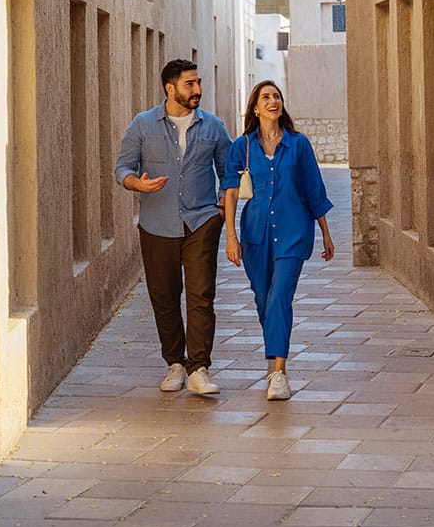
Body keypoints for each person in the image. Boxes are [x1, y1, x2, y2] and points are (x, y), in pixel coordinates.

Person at [115, 58, 233, 396]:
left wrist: (225, 203)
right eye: (190, 84)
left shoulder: (213, 127)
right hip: (156, 224)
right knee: (164, 298)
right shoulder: (142, 124)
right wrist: (136, 183)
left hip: (201, 222)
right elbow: (122, 167)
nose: (197, 90)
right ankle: (175, 363)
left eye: (198, 83)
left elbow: (228, 171)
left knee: (201, 296)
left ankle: (199, 367)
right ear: (171, 88)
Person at [221, 80, 334, 401]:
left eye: (277, 96)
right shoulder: (241, 146)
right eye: (265, 97)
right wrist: (230, 236)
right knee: (262, 299)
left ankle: (280, 373)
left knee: (279, 297)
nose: (273, 100)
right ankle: (273, 364)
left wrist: (325, 231)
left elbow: (315, 190)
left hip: (294, 233)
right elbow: (230, 192)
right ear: (255, 108)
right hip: (255, 235)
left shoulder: (298, 145)